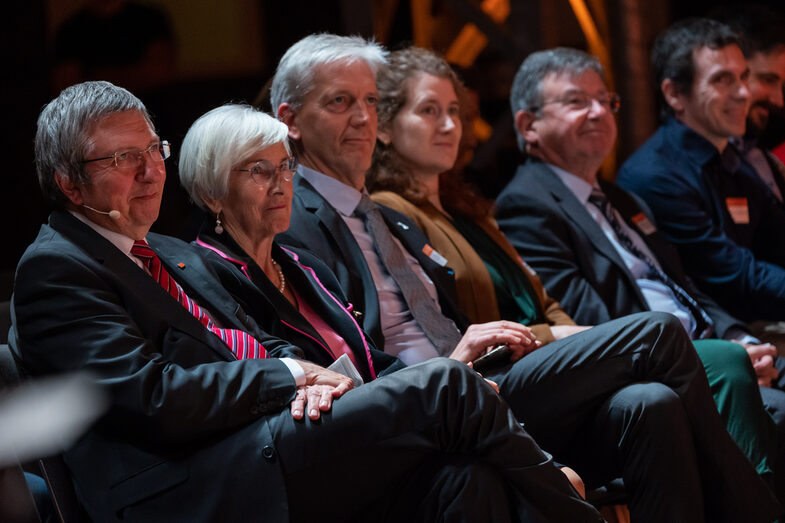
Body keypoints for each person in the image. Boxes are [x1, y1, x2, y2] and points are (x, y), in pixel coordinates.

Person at [9, 80, 606, 523]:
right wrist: (288, 375)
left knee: (464, 481)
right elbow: (151, 397)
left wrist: (310, 378)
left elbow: (247, 336)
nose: (148, 172)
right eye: (121, 159)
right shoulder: (56, 269)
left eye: (151, 151)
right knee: (444, 386)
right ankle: (567, 500)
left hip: (257, 441)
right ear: (68, 182)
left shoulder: (162, 248)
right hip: (183, 486)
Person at [274, 33, 782, 522]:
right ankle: (758, 513)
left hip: (484, 375)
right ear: (290, 120)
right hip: (431, 397)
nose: (363, 117)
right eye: (341, 102)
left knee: (652, 403)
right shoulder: (297, 219)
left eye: (368, 101)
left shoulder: (392, 217)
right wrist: (460, 360)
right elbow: (339, 353)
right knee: (658, 332)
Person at [616, 18, 785, 322]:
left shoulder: (731, 157)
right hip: (714, 339)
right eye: (722, 80)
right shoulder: (656, 175)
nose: (744, 93)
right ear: (674, 94)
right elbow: (734, 276)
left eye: (743, 77)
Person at [713, 5, 785, 204]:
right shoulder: (695, 167)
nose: (779, 101)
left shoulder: (760, 158)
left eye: (781, 85)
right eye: (767, 80)